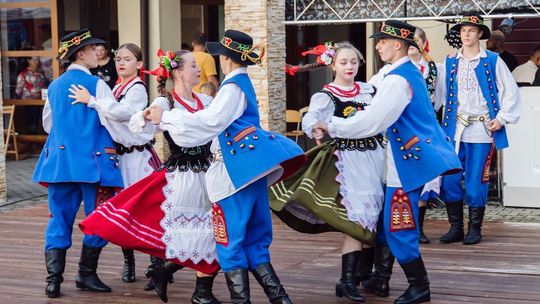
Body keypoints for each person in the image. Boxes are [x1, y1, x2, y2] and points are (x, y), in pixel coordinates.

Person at [143, 30, 306, 304]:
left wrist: (166, 118)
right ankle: (281, 299)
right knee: (254, 241)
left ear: (223, 57)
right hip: (250, 170)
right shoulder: (240, 85)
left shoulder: (232, 88)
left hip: (233, 175)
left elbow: (209, 123)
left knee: (229, 243)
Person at [313, 20, 462, 304]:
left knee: (399, 227)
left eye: (382, 41)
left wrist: (331, 125)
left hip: (406, 165)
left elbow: (372, 121)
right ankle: (381, 279)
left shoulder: (398, 79)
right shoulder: (402, 73)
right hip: (407, 161)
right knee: (389, 224)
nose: (378, 45)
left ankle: (420, 286)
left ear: (398, 44)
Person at [80, 49, 221, 304]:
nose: (198, 69)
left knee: (211, 234)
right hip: (183, 176)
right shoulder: (165, 103)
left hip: (207, 174)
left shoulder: (205, 101)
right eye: (193, 65)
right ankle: (198, 291)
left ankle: (167, 271)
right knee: (196, 234)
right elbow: (135, 124)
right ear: (178, 72)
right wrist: (145, 118)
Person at [271, 41, 384, 303]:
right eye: (344, 62)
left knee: (372, 217)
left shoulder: (368, 90)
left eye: (354, 62)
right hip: (349, 162)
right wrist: (318, 129)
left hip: (375, 159)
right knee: (358, 218)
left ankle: (357, 277)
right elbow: (311, 119)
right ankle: (347, 280)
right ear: (332, 64)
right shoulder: (326, 94)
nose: (349, 67)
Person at [32, 28, 124, 298]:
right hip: (93, 165)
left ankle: (53, 280)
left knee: (59, 218)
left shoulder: (55, 86)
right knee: (98, 218)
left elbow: (49, 124)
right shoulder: (97, 85)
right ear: (80, 53)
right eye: (93, 48)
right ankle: (86, 274)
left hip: (60, 163)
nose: (98, 52)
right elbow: (113, 119)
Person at [68, 43, 162, 288]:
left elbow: (122, 113)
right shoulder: (116, 86)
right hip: (120, 158)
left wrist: (92, 101)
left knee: (148, 209)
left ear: (139, 65)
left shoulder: (138, 88)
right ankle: (128, 262)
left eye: (128, 59)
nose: (121, 63)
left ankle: (157, 266)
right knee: (122, 209)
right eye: (118, 58)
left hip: (138, 158)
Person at [437, 14, 521, 246]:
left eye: (471, 30)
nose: (466, 34)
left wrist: (502, 118)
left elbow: (511, 92)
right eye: (463, 30)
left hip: (481, 130)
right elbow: (440, 95)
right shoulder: (451, 62)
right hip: (454, 130)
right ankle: (455, 228)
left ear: (480, 34)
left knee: (476, 180)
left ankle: (474, 228)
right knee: (450, 179)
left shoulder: (492, 60)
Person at [407, 27, 445, 244]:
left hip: (428, 127)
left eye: (417, 39)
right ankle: (406, 225)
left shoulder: (434, 68)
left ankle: (419, 228)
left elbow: (439, 98)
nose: (413, 43)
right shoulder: (396, 69)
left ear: (424, 42)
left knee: (427, 176)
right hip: (406, 128)